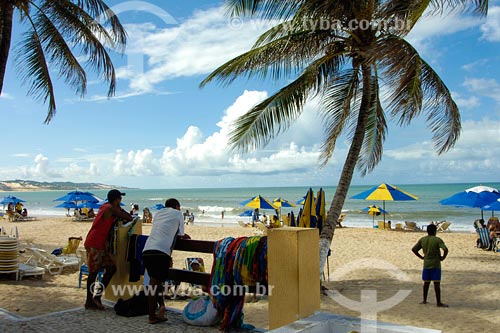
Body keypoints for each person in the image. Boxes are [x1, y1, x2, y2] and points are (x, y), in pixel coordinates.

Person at [142, 198, 190, 324]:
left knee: (155, 281)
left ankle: (161, 308)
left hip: (147, 250)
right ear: (176, 206)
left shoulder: (158, 213)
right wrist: (183, 236)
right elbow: (180, 233)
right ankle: (152, 316)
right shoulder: (178, 213)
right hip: (161, 251)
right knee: (154, 282)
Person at [83, 189, 132, 310]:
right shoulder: (110, 208)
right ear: (116, 200)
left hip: (100, 244)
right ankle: (90, 301)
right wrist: (119, 210)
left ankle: (97, 297)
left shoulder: (105, 207)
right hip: (95, 243)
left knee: (111, 268)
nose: (121, 201)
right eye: (120, 199)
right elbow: (129, 217)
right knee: (93, 273)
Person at [412, 224, 449, 307]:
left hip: (426, 264)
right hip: (436, 264)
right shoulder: (437, 240)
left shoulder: (423, 239)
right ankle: (438, 302)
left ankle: (424, 300)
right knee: (436, 284)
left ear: (427, 231)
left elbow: (414, 249)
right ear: (435, 231)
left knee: (426, 283)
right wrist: (443, 257)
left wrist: (421, 257)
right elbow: (445, 249)